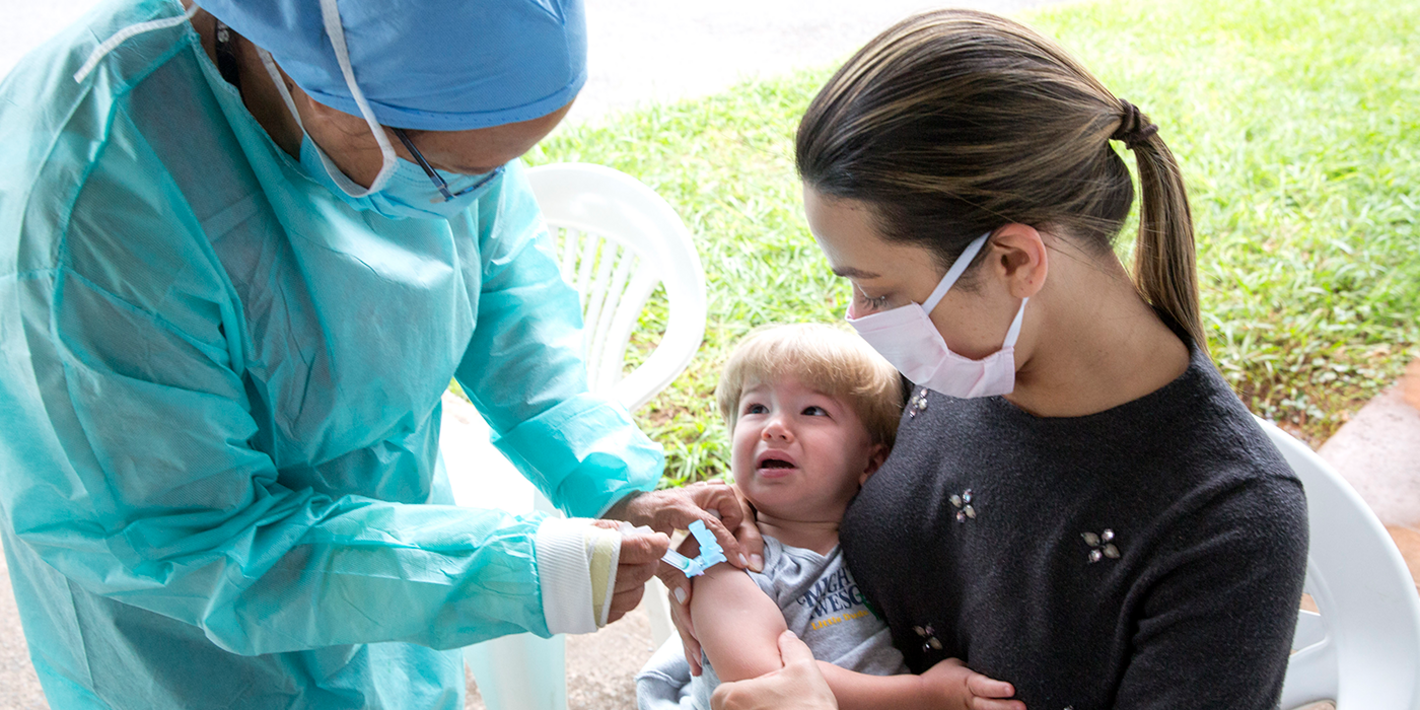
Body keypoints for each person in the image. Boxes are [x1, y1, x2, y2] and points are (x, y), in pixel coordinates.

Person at [0, 0, 759, 707]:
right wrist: (513, 569)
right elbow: (188, 542)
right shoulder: (91, 206)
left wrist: (607, 479)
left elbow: (503, 282)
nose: (474, 197)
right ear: (329, 91)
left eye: (496, 170)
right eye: (453, 175)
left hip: (388, 550)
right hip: (189, 643)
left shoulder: (417, 89)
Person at [674, 9, 1309, 709]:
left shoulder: (1226, 526)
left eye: (880, 290)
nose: (860, 320)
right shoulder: (954, 361)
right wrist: (731, 547)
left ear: (1012, 260)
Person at [639, 324, 1024, 710]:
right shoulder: (726, 562)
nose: (774, 428)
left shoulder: (880, 538)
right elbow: (772, 685)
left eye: (812, 411)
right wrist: (925, 695)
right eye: (756, 408)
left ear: (872, 461)